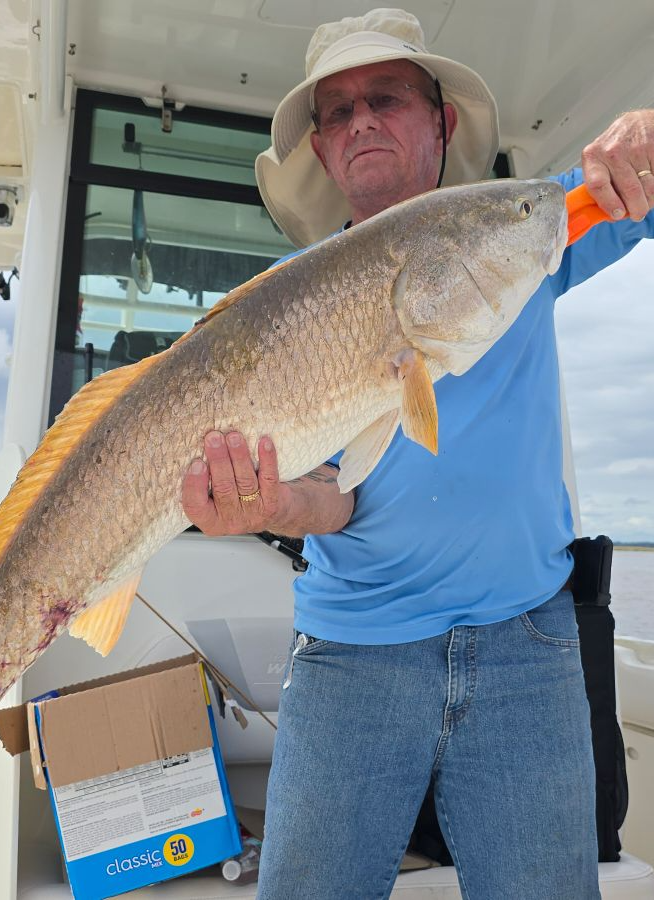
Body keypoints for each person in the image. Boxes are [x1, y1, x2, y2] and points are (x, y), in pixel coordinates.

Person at [180, 9, 654, 900]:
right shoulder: (297, 305)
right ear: (321, 151)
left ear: (440, 122)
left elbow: (640, 185)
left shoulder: (514, 227)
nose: (360, 120)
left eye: (387, 97)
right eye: (337, 110)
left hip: (528, 644)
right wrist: (271, 505)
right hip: (351, 654)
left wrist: (647, 130)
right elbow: (334, 498)